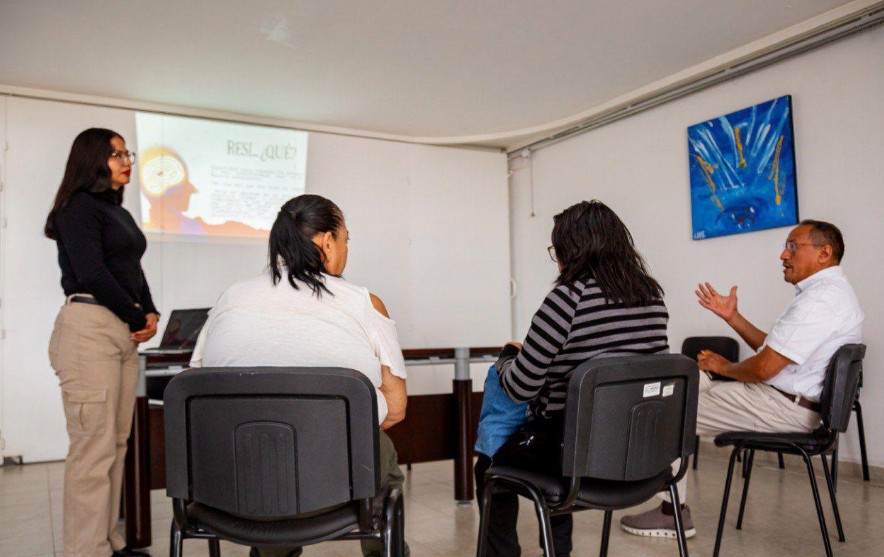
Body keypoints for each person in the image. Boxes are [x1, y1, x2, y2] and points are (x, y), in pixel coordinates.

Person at [189, 194, 409, 557]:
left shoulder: (230, 299)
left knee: (268, 462)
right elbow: (397, 409)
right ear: (327, 241)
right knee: (376, 459)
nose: (346, 248)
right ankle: (382, 548)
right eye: (346, 239)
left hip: (232, 492)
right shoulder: (363, 302)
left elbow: (197, 392)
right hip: (338, 490)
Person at [621, 220, 864, 538]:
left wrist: (724, 367)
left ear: (824, 252)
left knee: (667, 410)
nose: (783, 255)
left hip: (782, 406)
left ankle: (671, 513)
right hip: (784, 400)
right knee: (684, 388)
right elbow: (773, 350)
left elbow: (765, 368)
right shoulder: (830, 294)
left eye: (792, 246)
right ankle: (669, 503)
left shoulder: (819, 301)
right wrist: (732, 317)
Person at [477, 200, 670, 557]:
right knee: (568, 425)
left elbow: (521, 388)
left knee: (491, 465)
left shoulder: (568, 298)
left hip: (575, 463)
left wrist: (508, 358)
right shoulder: (651, 296)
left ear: (572, 250)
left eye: (557, 250)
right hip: (643, 459)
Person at [45, 128, 160, 557]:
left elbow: (131, 268)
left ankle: (107, 542)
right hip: (88, 328)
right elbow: (92, 273)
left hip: (120, 331)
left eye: (125, 152)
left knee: (116, 444)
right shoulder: (77, 207)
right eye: (115, 154)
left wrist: (149, 312)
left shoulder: (118, 212)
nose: (125, 159)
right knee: (92, 449)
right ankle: (85, 550)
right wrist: (135, 315)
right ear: (92, 160)